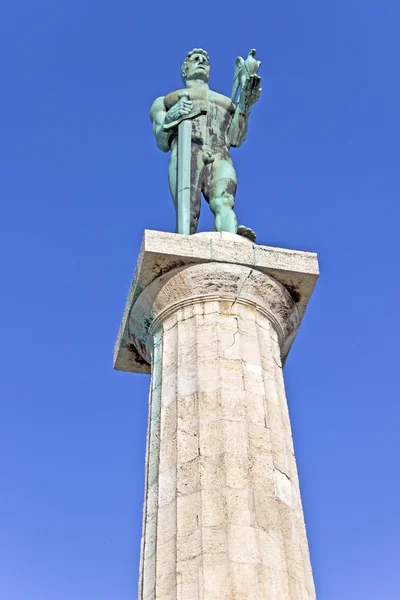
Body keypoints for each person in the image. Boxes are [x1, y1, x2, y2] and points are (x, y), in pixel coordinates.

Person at [150, 48, 261, 238]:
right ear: (184, 70)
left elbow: (236, 138)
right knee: (188, 216)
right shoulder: (165, 100)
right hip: (187, 151)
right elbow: (161, 140)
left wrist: (245, 106)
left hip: (220, 154)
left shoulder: (226, 103)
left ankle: (230, 241)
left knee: (224, 202)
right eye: (195, 59)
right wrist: (173, 115)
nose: (201, 61)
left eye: (205, 60)